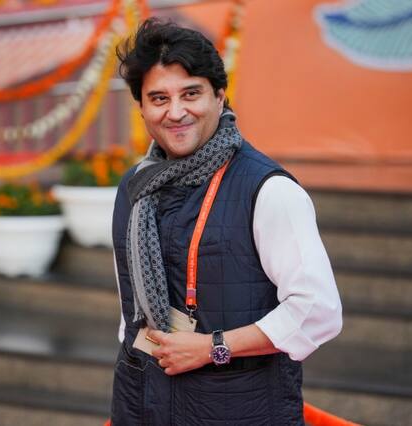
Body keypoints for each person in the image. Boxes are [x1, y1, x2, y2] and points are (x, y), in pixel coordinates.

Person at [110, 17, 342, 425]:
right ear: (141, 107)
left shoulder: (268, 190)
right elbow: (130, 310)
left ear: (220, 96)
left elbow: (317, 311)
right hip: (141, 400)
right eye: (159, 98)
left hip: (237, 408)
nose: (176, 112)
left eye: (191, 93)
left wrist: (212, 347)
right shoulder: (135, 186)